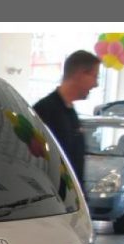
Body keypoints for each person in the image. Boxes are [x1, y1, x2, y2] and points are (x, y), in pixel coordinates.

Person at [33, 50, 101, 183]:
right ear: (80, 74)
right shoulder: (45, 111)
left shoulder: (70, 112)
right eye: (95, 76)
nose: (96, 84)